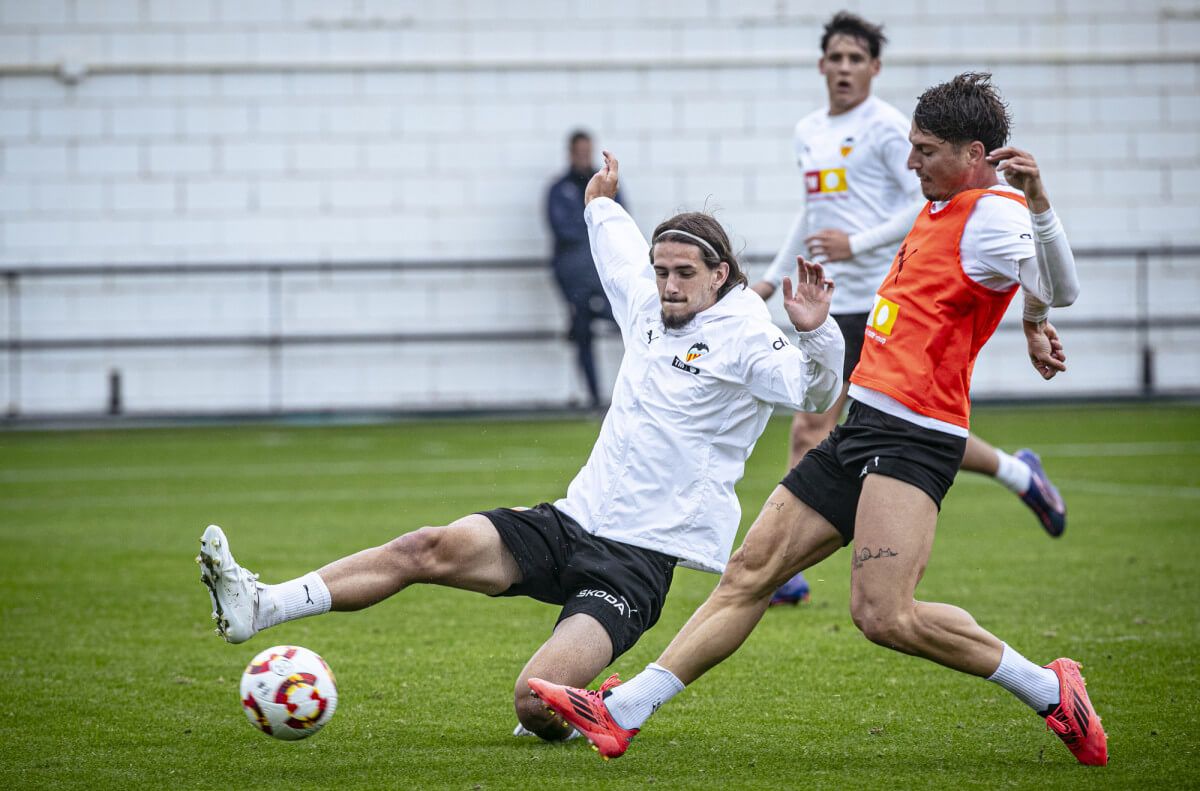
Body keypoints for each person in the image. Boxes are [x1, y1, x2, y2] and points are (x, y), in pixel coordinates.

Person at [530, 73, 1108, 767]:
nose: (910, 162)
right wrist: (1032, 324)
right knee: (749, 571)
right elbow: (1024, 288)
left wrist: (1041, 216)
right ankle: (622, 711)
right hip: (861, 424)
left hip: (916, 437)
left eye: (924, 150)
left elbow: (1059, 283)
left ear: (973, 151)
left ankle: (1051, 689)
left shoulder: (996, 210)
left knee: (884, 616)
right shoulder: (938, 206)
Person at [197, 150, 845, 743]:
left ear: (719, 274)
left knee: (533, 705)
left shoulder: (746, 334)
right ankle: (262, 604)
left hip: (637, 562)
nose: (669, 284)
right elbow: (615, 246)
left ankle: (594, 703)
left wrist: (818, 336)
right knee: (426, 545)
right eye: (662, 271)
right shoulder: (648, 301)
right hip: (571, 521)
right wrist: (598, 200)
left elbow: (813, 396)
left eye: (684, 273)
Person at [757, 15, 1064, 607]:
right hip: (827, 295)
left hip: (878, 294)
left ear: (875, 67)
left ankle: (781, 571)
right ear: (821, 65)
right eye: (835, 57)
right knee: (869, 423)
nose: (844, 68)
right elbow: (812, 209)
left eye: (856, 58)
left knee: (820, 423)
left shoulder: (892, 128)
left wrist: (859, 245)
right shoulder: (808, 130)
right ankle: (1019, 473)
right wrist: (772, 277)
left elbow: (922, 208)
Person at [546, 130, 622, 409]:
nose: (582, 156)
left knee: (624, 323)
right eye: (578, 151)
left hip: (602, 275)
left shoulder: (606, 183)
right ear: (570, 152)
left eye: (586, 151)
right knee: (582, 331)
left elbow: (618, 221)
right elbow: (563, 231)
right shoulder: (559, 189)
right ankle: (593, 398)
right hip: (573, 277)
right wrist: (592, 221)